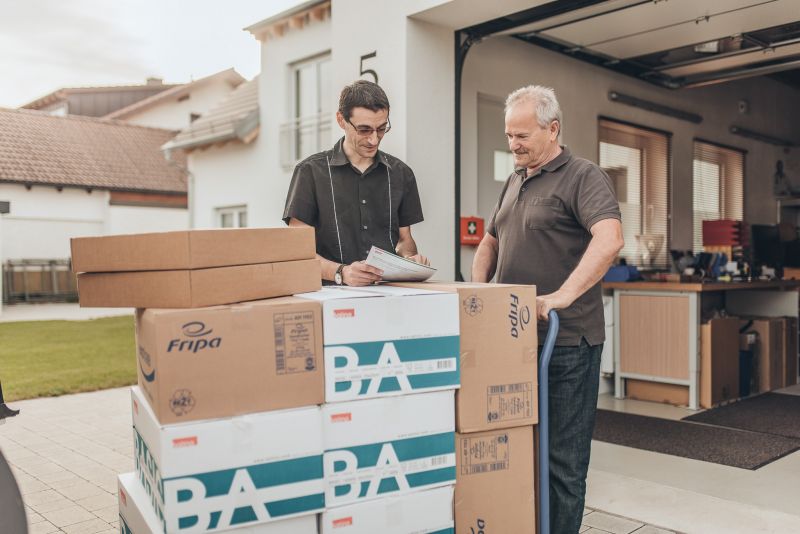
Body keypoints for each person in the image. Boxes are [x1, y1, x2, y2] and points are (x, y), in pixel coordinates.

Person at [472, 85, 623, 533]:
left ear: (553, 128)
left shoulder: (583, 176)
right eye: (508, 135)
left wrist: (563, 295)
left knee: (562, 463)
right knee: (522, 452)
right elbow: (490, 241)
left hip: (566, 343)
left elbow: (609, 238)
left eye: (522, 136)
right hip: (514, 341)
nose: (512, 144)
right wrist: (476, 295)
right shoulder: (515, 178)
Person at [283, 80, 428, 286]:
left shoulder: (401, 174)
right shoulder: (309, 172)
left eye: (381, 129)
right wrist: (341, 272)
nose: (374, 140)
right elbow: (296, 251)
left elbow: (405, 242)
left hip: (387, 296)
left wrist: (410, 262)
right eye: (364, 130)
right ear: (341, 120)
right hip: (328, 297)